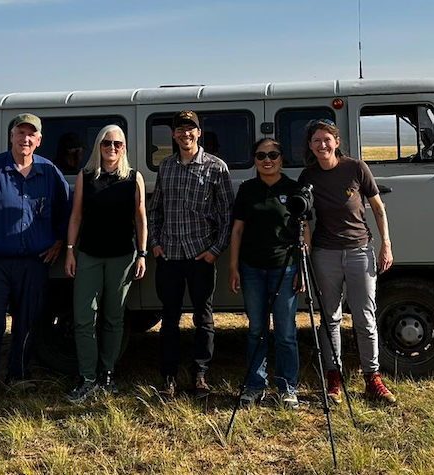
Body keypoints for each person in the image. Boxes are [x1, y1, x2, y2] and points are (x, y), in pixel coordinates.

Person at [0, 113, 70, 410]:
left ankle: (18, 375)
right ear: (12, 136)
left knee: (28, 323)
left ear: (40, 140)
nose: (26, 139)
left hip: (34, 263)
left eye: (32, 135)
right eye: (21, 133)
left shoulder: (50, 172)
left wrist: (59, 241)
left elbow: (67, 212)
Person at [298, 119, 397, 405]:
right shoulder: (308, 176)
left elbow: (378, 208)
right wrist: (305, 246)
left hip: (359, 251)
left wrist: (386, 245)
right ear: (310, 146)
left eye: (327, 139)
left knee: (365, 317)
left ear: (336, 142)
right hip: (325, 254)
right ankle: (333, 377)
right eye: (316, 141)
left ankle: (372, 378)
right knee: (330, 317)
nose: (322, 145)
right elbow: (305, 218)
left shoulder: (356, 168)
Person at [148, 110, 234, 397]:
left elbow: (227, 216)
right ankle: (169, 377)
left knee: (203, 317)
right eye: (180, 130)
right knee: (169, 318)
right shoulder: (166, 167)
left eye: (191, 129)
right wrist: (155, 244)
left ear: (199, 133)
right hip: (169, 256)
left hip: (201, 256)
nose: (186, 134)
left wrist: (214, 251)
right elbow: (155, 209)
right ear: (173, 135)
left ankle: (200, 375)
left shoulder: (216, 167)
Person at [64, 125, 147, 403]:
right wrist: (70, 251)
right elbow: (76, 217)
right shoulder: (86, 177)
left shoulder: (134, 178)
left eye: (118, 144)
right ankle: (87, 376)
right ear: (98, 146)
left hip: (122, 257)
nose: (112, 148)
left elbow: (140, 219)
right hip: (89, 254)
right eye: (107, 143)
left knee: (114, 317)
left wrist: (142, 254)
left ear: (124, 148)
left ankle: (107, 374)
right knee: (84, 317)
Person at [229, 138, 308, 410]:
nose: (267, 160)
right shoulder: (247, 189)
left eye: (273, 154)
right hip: (251, 269)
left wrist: (301, 269)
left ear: (281, 159)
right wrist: (233, 267)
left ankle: (288, 388)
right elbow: (237, 230)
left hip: (285, 269)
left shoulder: (294, 189)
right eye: (261, 155)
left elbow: (303, 232)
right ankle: (255, 385)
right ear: (254, 160)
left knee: (286, 332)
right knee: (256, 330)